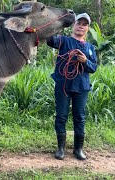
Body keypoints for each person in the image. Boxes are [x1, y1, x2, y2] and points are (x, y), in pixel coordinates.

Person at [46, 13, 97, 160]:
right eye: (79, 23)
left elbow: (93, 68)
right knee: (61, 116)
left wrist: (85, 61)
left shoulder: (90, 48)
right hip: (63, 85)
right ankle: (60, 149)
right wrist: (54, 25)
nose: (81, 26)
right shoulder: (63, 41)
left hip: (82, 87)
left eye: (84, 24)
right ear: (73, 26)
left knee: (79, 117)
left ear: (87, 28)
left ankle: (78, 149)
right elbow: (50, 41)